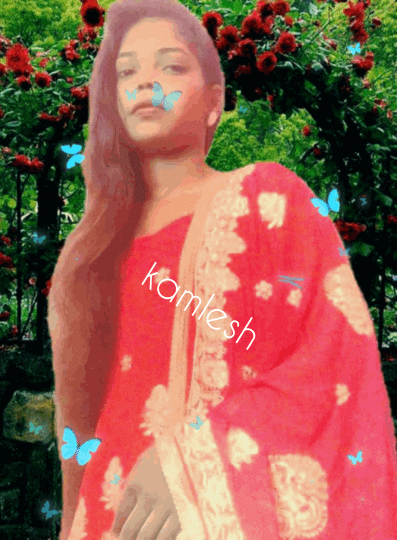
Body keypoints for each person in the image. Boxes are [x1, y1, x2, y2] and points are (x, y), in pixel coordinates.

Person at [47, 0, 397, 539]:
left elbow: (335, 359)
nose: (146, 82)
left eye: (171, 66)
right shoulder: (89, 253)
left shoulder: (268, 200)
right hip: (111, 518)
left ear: (214, 104)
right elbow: (83, 431)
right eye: (127, 72)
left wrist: (188, 459)